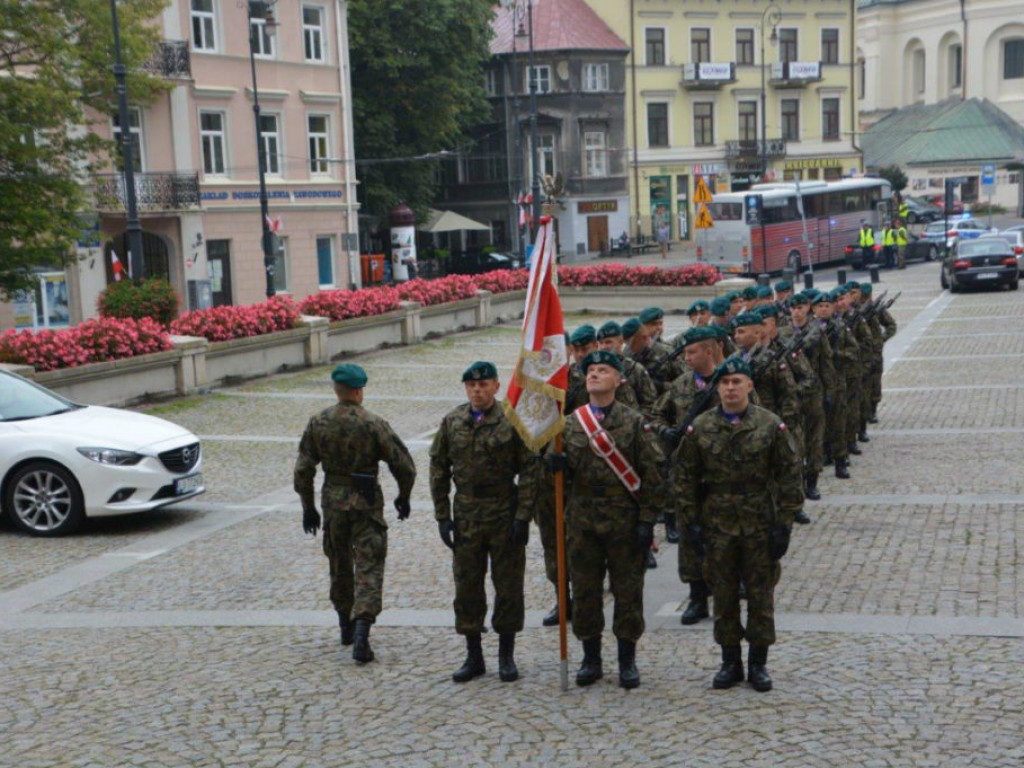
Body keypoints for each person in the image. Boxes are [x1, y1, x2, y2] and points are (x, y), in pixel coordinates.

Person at [673, 357, 804, 692]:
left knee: (761, 594)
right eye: (725, 382)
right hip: (717, 521)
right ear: (717, 388)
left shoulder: (770, 425)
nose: (730, 387)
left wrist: (784, 524)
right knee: (724, 594)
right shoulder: (700, 427)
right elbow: (684, 476)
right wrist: (692, 523)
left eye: (736, 381)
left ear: (749, 385)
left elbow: (790, 475)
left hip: (759, 519)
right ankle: (729, 661)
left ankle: (758, 663)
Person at [545, 349, 666, 689]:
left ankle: (627, 660)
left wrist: (646, 521)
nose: (595, 375)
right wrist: (552, 466)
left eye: (603, 370)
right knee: (584, 590)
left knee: (628, 591)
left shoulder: (633, 421)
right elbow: (556, 483)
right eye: (591, 371)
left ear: (618, 379)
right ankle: (590, 658)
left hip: (623, 520)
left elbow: (652, 473)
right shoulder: (568, 424)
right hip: (582, 520)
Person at [294, 363, 416, 664]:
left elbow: (302, 470)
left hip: (333, 506)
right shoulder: (373, 423)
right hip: (366, 504)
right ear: (359, 391)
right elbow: (404, 465)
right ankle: (363, 629)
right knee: (369, 565)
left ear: (337, 391)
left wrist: (308, 508)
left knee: (339, 565)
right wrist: (404, 496)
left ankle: (345, 626)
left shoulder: (317, 423)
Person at [429, 361, 535, 683]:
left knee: (508, 586)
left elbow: (530, 469)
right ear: (465, 388)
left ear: (496, 386)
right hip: (466, 513)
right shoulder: (452, 422)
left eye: (484, 384)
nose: (477, 390)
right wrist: (442, 516)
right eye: (472, 385)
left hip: (503, 510)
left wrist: (523, 516)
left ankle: (506, 655)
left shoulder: (512, 420)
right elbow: (438, 469)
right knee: (467, 586)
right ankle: (473, 655)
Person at [651, 326, 724, 625]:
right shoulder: (681, 385)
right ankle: (697, 597)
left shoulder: (730, 381)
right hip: (687, 474)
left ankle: (730, 589)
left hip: (723, 473)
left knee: (727, 534)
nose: (687, 357)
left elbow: (755, 416)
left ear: (709, 351)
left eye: (692, 352)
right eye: (685, 353)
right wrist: (663, 432)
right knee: (690, 536)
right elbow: (656, 415)